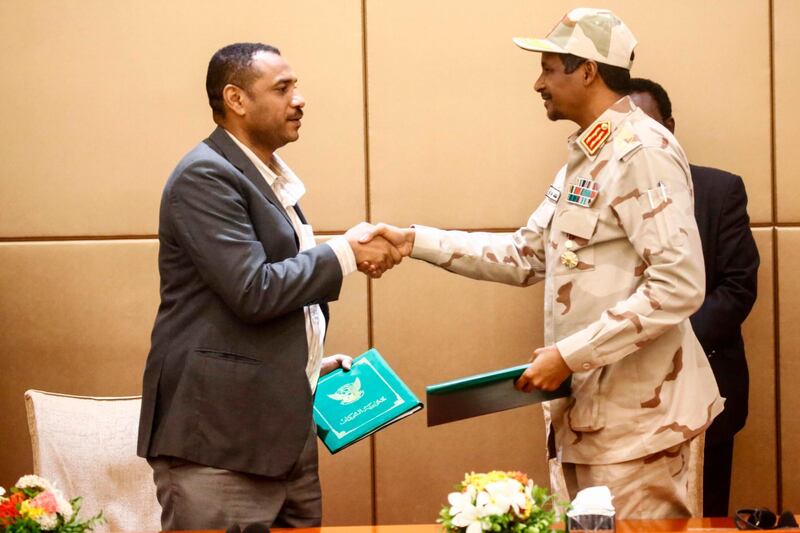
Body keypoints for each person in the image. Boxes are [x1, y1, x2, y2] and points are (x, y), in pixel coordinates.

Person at [362, 8, 723, 518]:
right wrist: (413, 241)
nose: (538, 83)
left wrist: (568, 356)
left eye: (550, 68)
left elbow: (679, 286)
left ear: (588, 70)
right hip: (588, 419)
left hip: (641, 431)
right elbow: (525, 255)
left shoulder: (641, 151)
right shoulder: (588, 156)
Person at [136, 42, 401, 529]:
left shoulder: (265, 179)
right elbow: (254, 290)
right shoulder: (205, 176)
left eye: (295, 86)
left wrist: (299, 362)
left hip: (280, 437)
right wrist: (347, 253)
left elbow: (264, 301)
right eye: (283, 88)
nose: (299, 99)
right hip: (219, 443)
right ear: (235, 99)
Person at [629, 77, 759, 517]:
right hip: (623, 402)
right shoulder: (600, 197)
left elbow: (738, 287)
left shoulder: (719, 191)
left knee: (707, 514)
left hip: (706, 391)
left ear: (670, 126)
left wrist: (659, 341)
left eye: (648, 125)